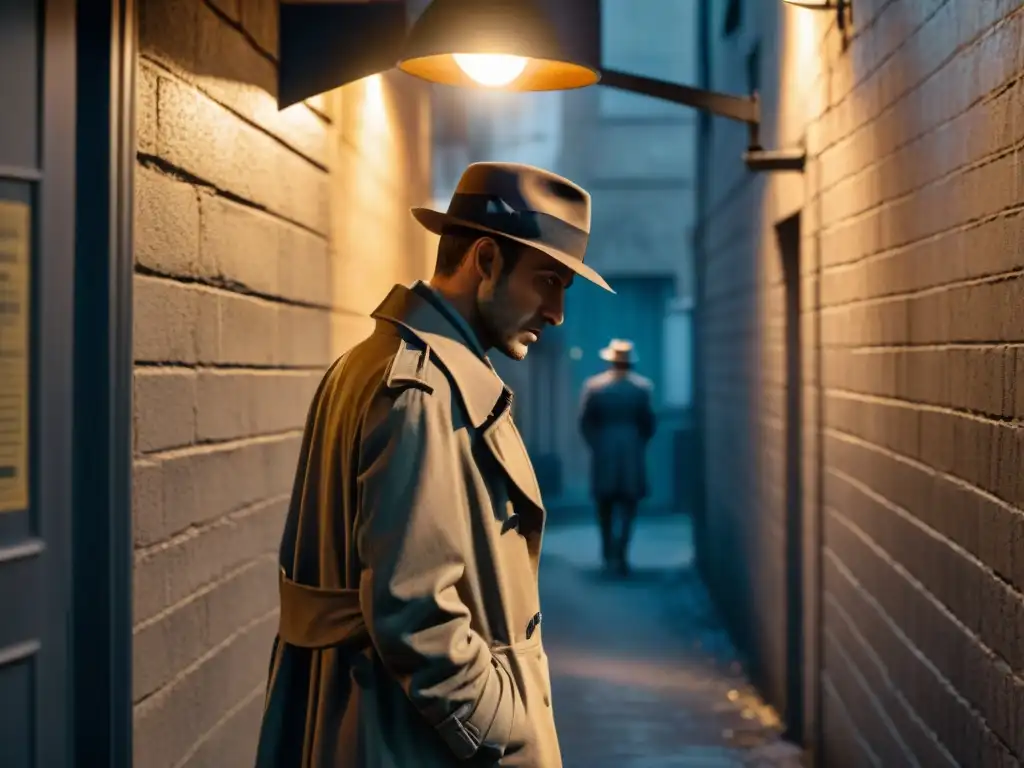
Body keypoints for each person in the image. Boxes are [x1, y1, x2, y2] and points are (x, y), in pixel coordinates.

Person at [255, 162, 612, 768]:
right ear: (487, 260)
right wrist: (506, 732)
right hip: (403, 739)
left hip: (366, 722)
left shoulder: (370, 363)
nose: (556, 312)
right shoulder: (424, 394)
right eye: (548, 281)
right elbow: (415, 613)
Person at [578, 339, 656, 575]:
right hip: (631, 452)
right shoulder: (641, 389)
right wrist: (636, 442)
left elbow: (585, 422)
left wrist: (596, 444)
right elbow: (649, 424)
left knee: (605, 506)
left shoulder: (595, 387)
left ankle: (608, 552)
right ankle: (621, 553)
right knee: (628, 506)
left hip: (604, 452)